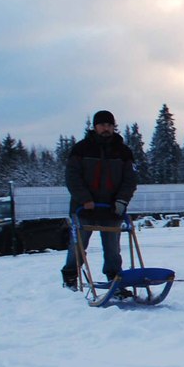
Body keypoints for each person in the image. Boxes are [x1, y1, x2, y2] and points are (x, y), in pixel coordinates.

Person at [61, 109, 138, 289]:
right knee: (78, 246)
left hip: (111, 209)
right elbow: (72, 177)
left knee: (112, 249)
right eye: (103, 124)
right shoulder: (81, 149)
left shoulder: (123, 151)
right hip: (84, 208)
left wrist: (121, 201)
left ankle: (114, 278)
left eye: (110, 125)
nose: (107, 128)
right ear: (95, 126)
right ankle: (71, 276)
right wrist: (84, 199)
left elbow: (130, 180)